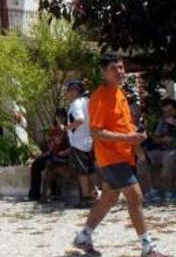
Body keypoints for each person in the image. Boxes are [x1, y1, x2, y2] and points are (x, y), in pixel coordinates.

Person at [72, 55, 169, 257]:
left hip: (123, 156)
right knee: (135, 196)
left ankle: (84, 236)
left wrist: (137, 133)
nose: (120, 71)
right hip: (110, 157)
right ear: (104, 72)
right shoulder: (99, 97)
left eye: (122, 67)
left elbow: (122, 126)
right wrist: (129, 139)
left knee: (109, 197)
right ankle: (147, 247)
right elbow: (96, 132)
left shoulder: (120, 94)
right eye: (114, 68)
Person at [65, 80, 98, 206]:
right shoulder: (87, 102)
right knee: (90, 170)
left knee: (82, 172)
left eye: (68, 90)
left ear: (74, 91)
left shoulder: (76, 104)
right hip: (88, 140)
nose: (67, 93)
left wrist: (67, 127)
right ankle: (95, 193)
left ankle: (86, 197)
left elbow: (79, 120)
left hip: (79, 142)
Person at [28, 108, 71, 201]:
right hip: (52, 154)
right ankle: (34, 194)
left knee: (50, 163)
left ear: (65, 118)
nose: (60, 118)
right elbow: (51, 146)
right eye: (58, 116)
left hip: (63, 155)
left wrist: (63, 151)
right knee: (36, 164)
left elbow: (72, 146)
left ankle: (53, 193)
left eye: (62, 116)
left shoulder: (69, 130)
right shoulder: (53, 130)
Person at [145, 98, 176, 203]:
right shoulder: (162, 121)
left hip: (173, 150)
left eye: (170, 111)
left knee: (169, 158)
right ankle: (152, 190)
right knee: (144, 159)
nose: (167, 114)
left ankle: (169, 191)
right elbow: (157, 137)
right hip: (162, 148)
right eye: (165, 111)